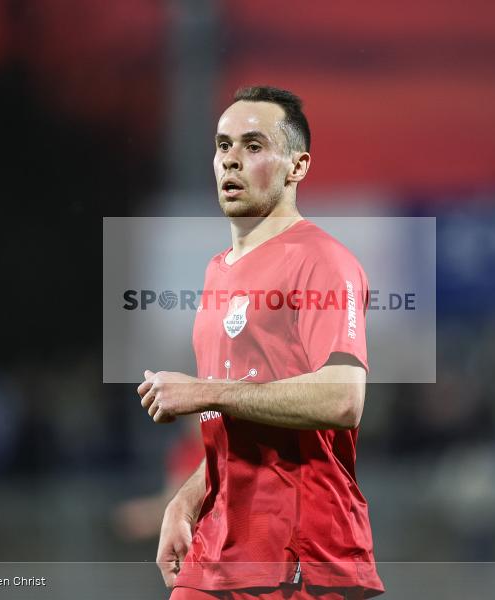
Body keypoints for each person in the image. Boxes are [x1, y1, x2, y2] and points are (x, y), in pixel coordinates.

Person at [138, 86, 384, 599]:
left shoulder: (321, 260)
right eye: (223, 145)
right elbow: (241, 427)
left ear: (297, 166)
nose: (231, 160)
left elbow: (343, 399)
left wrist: (206, 391)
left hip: (300, 558)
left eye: (253, 146)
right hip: (219, 553)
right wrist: (185, 502)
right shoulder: (216, 273)